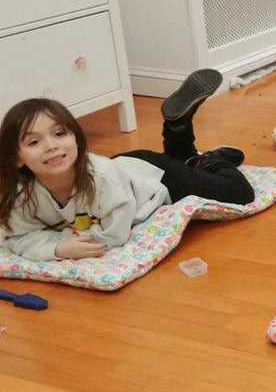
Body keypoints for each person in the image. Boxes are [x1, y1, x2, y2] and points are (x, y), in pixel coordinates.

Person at [0, 69, 255, 262]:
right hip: (123, 168)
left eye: (59, 134)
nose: (51, 146)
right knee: (183, 160)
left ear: (77, 140)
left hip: (154, 176)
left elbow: (116, 234)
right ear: (17, 158)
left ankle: (209, 160)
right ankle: (178, 126)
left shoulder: (101, 179)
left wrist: (67, 241)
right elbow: (19, 238)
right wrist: (56, 249)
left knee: (239, 193)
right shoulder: (20, 196)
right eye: (34, 141)